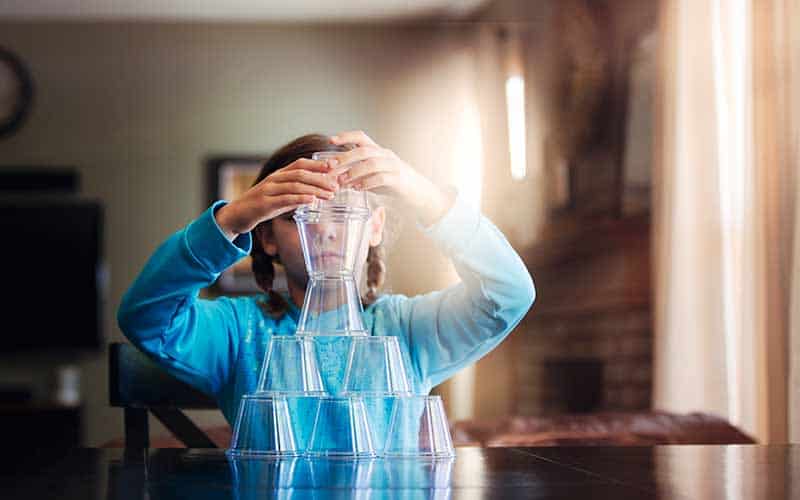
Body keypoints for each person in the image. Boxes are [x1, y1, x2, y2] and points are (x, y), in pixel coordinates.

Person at [117, 130, 536, 431]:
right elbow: (146, 318)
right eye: (302, 214)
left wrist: (424, 195)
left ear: (373, 228)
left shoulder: (408, 330)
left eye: (343, 212)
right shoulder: (237, 333)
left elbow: (509, 293)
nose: (326, 229)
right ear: (266, 237)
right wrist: (230, 219)